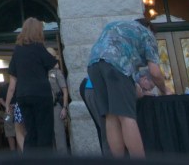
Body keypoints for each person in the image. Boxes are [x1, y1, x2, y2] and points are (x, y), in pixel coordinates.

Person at [86, 18, 170, 157]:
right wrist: (164, 89)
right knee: (126, 116)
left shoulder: (117, 25)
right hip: (116, 64)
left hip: (93, 65)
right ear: (150, 28)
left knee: (110, 116)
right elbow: (155, 72)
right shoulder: (147, 34)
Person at [4, 17, 57, 149]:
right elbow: (52, 62)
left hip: (23, 95)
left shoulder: (17, 50)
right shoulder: (39, 48)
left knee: (30, 133)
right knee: (44, 133)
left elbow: (13, 81)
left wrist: (7, 103)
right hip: (41, 94)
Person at [47, 48, 70, 152]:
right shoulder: (43, 72)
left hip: (56, 107)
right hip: (46, 108)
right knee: (49, 136)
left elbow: (65, 91)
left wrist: (64, 108)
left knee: (59, 134)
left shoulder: (57, 72)